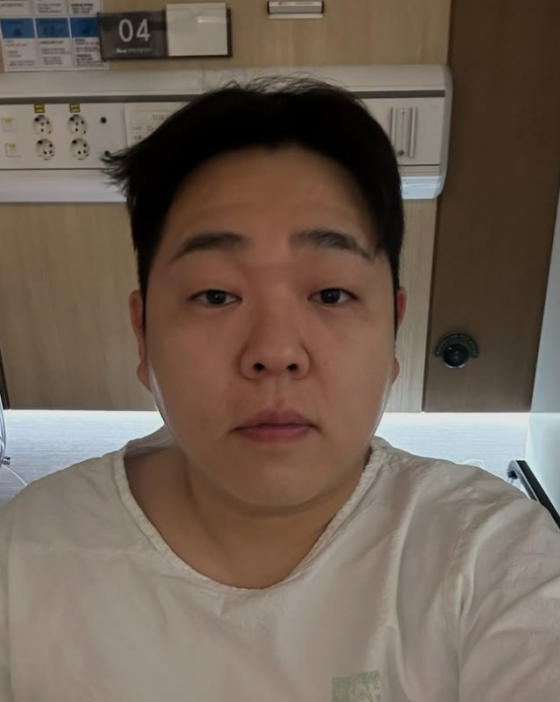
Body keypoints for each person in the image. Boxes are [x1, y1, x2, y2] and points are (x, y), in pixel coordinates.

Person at [1, 77, 559, 702]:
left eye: (331, 294)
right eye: (216, 294)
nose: (275, 352)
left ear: (393, 331)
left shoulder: (492, 560)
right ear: (143, 334)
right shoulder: (24, 560)